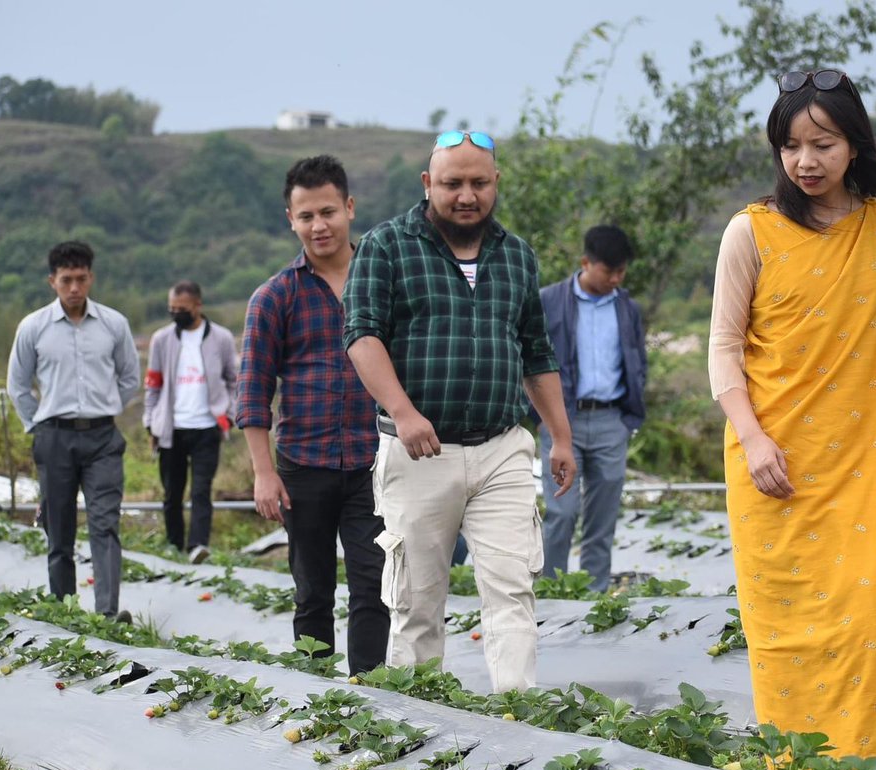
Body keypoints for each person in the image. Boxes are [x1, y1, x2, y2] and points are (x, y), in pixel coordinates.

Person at [708, 70, 876, 770]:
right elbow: (723, 349)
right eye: (790, 146)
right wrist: (754, 439)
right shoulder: (749, 232)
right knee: (791, 632)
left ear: (855, 145)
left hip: (870, 458)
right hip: (775, 462)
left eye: (822, 143)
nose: (805, 161)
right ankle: (808, 769)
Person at [343, 130, 576, 693]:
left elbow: (536, 352)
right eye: (452, 184)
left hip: (501, 448)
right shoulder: (387, 246)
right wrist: (403, 411)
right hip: (420, 452)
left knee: (512, 591)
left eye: (478, 183)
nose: (465, 195)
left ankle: (518, 717)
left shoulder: (516, 254)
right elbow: (361, 336)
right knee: (419, 601)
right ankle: (419, 725)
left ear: (496, 183)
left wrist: (561, 439)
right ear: (428, 184)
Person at [235, 154, 388, 676]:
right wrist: (263, 472)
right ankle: (319, 694)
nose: (318, 226)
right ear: (290, 220)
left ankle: (373, 693)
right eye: (306, 216)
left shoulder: (385, 278)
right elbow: (253, 390)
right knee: (313, 588)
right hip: (304, 465)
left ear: (348, 207)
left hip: (376, 461)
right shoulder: (275, 296)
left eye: (328, 212)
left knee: (376, 582)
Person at [7, 240, 139, 621]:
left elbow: (130, 376)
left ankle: (108, 616)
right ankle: (64, 615)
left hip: (102, 439)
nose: (75, 288)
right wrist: (40, 423)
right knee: (59, 530)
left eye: (81, 279)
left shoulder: (114, 324)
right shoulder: (34, 327)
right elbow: (18, 385)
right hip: (54, 438)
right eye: (67, 280)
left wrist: (105, 405)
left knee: (105, 525)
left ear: (91, 277)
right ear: (53, 281)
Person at [538, 225, 646, 592]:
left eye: (621, 272)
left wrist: (627, 419)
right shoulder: (549, 301)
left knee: (603, 516)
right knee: (560, 512)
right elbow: (530, 361)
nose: (616, 278)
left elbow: (637, 361)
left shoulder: (627, 307)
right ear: (586, 262)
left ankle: (594, 593)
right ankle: (551, 592)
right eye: (608, 271)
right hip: (560, 420)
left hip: (610, 420)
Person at [143, 280, 239, 563]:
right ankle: (173, 545)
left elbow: (234, 379)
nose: (176, 314)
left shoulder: (220, 338)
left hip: (207, 427)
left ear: (198, 306)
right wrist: (151, 422)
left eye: (182, 309)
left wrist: (229, 414)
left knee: (201, 490)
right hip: (171, 428)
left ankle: (198, 546)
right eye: (172, 309)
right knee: (172, 493)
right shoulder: (162, 339)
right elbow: (153, 385)